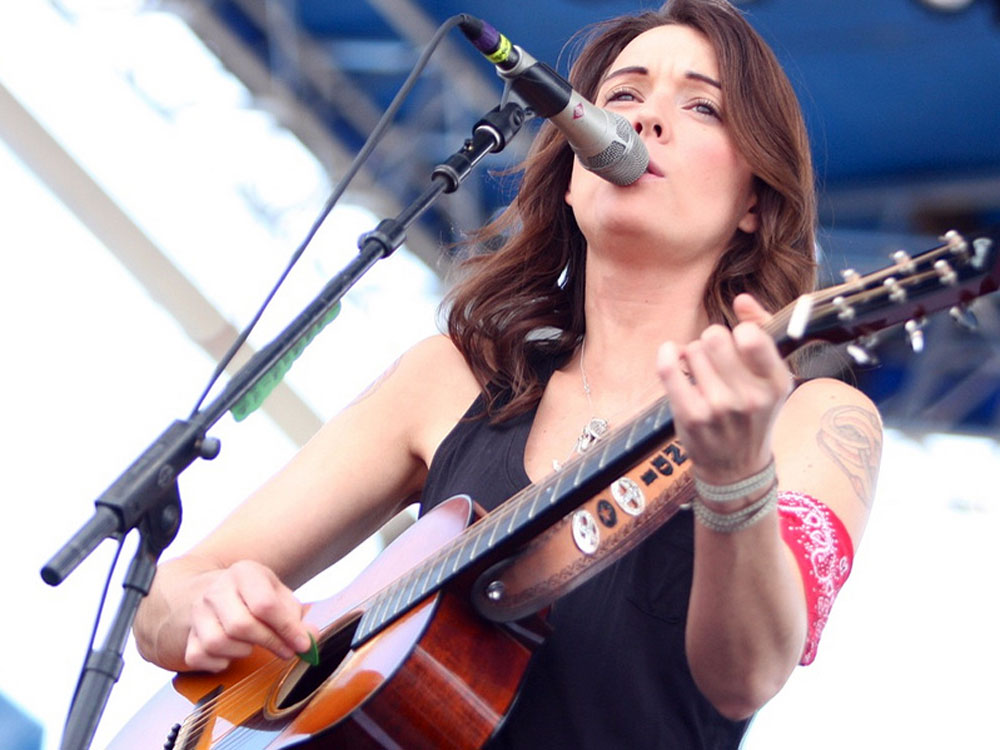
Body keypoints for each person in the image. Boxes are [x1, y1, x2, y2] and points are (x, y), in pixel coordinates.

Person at [132, 0, 882, 747]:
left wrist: (736, 474)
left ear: (753, 200)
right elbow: (163, 601)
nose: (646, 120)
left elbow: (748, 674)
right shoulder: (451, 379)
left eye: (702, 106)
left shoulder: (811, 417)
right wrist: (207, 605)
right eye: (622, 95)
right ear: (571, 172)